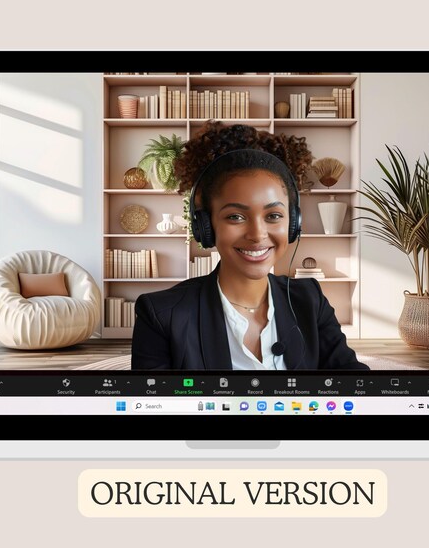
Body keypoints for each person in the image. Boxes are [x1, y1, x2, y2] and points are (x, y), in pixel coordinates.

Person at [131, 121, 369, 371]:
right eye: (235, 216)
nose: (257, 235)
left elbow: (353, 386)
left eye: (274, 216)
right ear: (206, 225)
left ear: (293, 223)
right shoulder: (161, 314)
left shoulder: (309, 300)